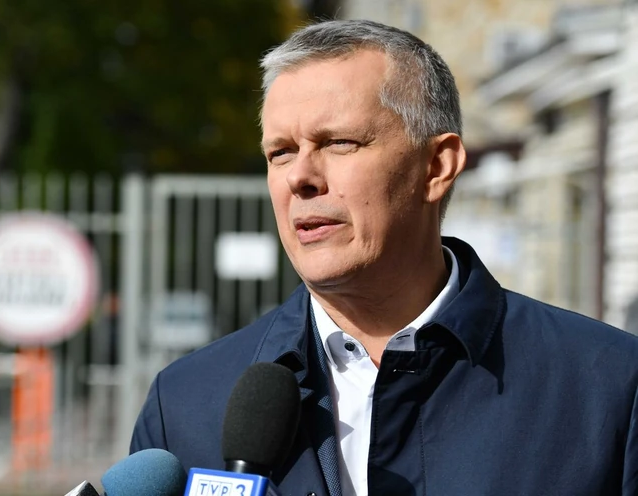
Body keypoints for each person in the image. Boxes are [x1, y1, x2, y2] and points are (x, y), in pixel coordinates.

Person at [130, 19, 638, 496]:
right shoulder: (185, 403)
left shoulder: (608, 386)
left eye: (339, 143)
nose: (299, 177)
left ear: (436, 167)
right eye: (280, 152)